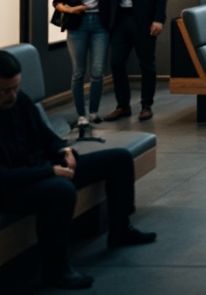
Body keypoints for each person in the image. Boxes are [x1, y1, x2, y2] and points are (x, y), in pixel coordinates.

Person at [0, 49, 156, 291]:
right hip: (13, 186)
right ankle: (56, 270)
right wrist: (50, 172)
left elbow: (47, 136)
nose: (11, 95)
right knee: (60, 190)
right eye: (5, 90)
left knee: (119, 159)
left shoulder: (19, 101)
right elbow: (4, 178)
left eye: (15, 88)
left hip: (40, 168)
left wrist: (64, 151)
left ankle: (120, 229)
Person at [105, 0, 168, 123]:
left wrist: (158, 19)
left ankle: (146, 105)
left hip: (144, 20)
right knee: (116, 63)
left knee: (146, 64)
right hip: (120, 19)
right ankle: (123, 105)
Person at [52, 0, 111, 127]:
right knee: (78, 72)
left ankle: (93, 112)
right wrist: (70, 10)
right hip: (77, 26)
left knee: (97, 71)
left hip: (100, 26)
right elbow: (57, 2)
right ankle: (81, 115)